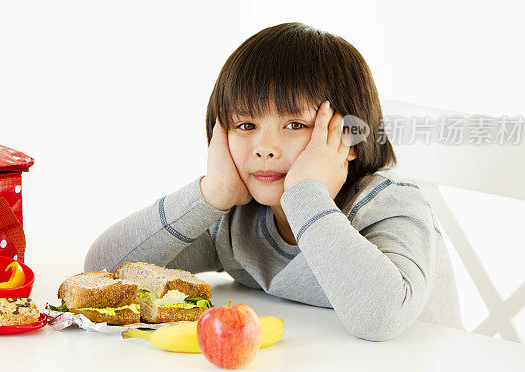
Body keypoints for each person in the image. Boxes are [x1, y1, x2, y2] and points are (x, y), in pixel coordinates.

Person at [84, 22, 464, 341]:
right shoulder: (238, 216)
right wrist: (210, 194)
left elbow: (380, 317)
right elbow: (103, 274)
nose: (265, 148)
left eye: (295, 125)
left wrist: (305, 197)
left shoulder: (388, 205)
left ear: (347, 136)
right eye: (246, 125)